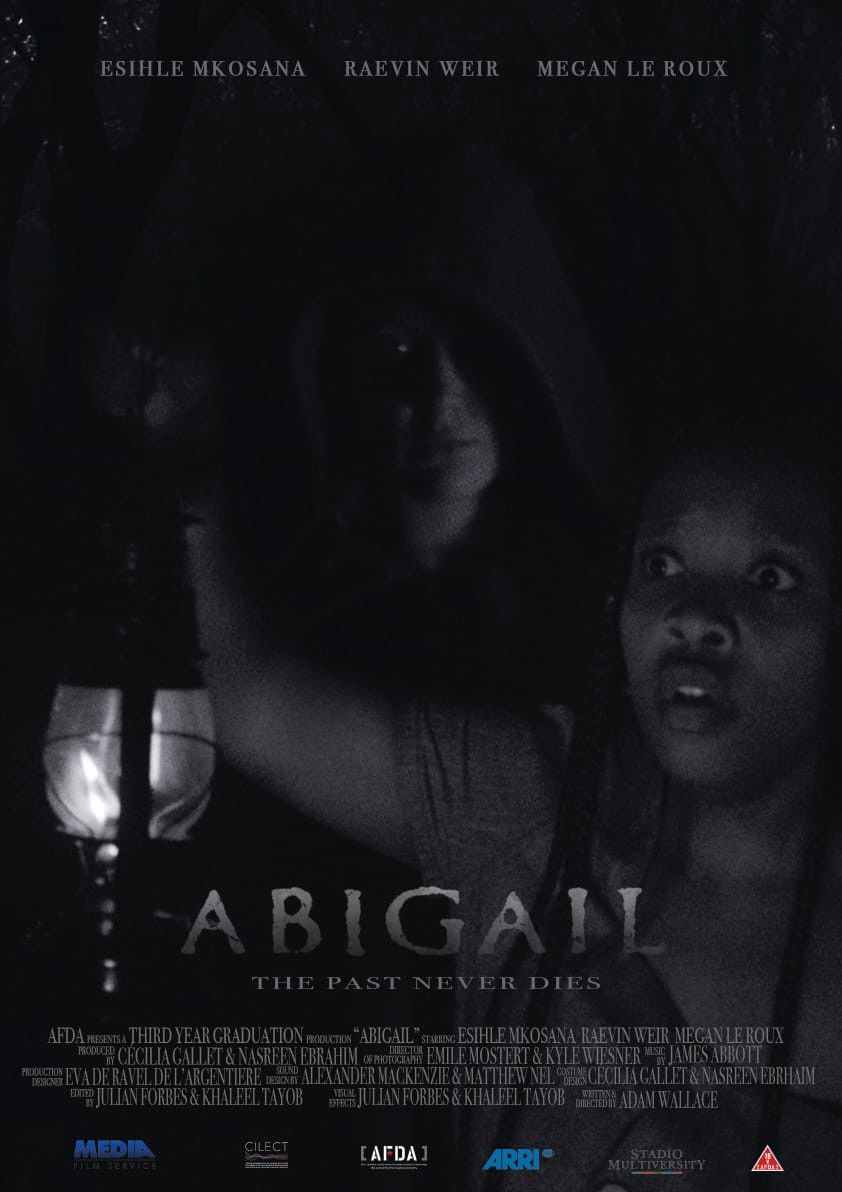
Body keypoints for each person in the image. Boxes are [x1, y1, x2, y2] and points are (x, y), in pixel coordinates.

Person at [186, 406, 842, 1190]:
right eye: (661, 566)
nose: (694, 615)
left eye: (770, 578)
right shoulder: (534, 798)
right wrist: (183, 439)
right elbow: (254, 703)